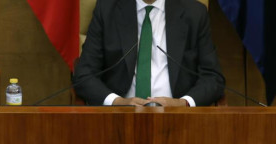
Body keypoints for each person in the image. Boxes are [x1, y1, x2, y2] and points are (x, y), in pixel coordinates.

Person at [72, 0, 225, 107]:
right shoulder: (107, 10)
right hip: (119, 119)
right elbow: (84, 75)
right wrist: (118, 102)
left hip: (179, 120)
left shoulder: (194, 13)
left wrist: (182, 103)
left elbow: (212, 77)